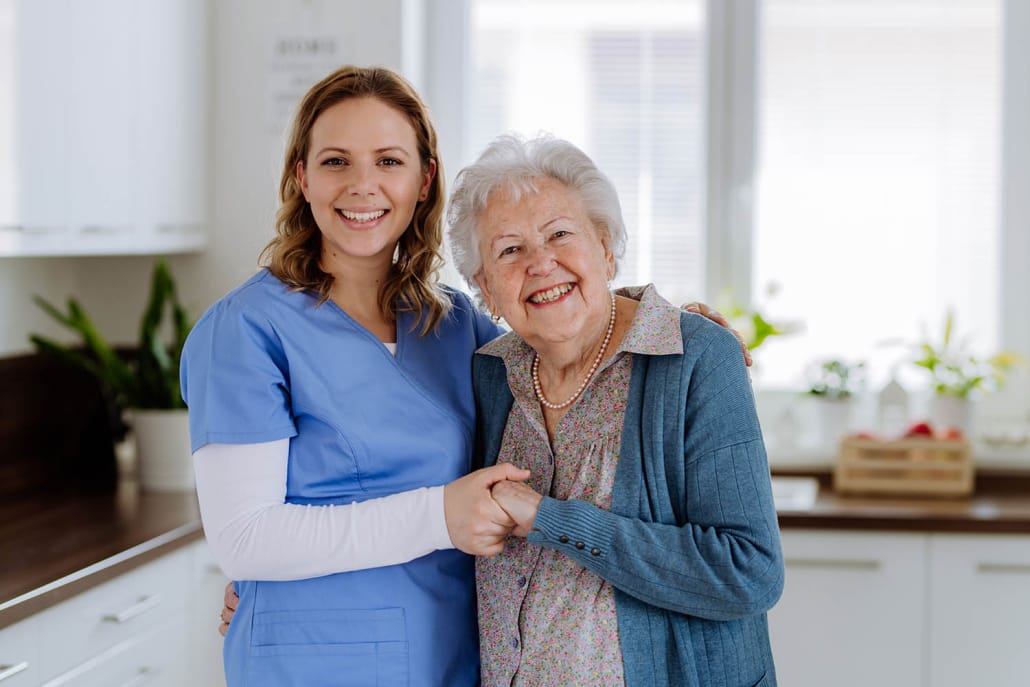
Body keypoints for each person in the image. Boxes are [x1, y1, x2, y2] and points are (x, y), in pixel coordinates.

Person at [186, 65, 746, 686]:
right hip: (313, 654)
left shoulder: (453, 326)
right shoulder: (244, 329)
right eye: (336, 161)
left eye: (389, 161)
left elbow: (558, 325)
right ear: (302, 177)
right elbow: (243, 539)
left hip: (450, 654)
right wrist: (439, 517)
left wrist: (663, 322)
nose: (363, 186)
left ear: (424, 180)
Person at [446, 133, 785, 686]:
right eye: (509, 249)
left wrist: (549, 519)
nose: (540, 263)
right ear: (485, 287)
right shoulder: (490, 372)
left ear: (605, 247)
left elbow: (749, 572)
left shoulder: (693, 357)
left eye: (560, 234)